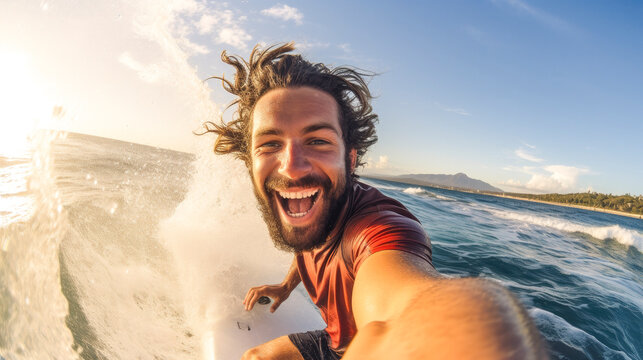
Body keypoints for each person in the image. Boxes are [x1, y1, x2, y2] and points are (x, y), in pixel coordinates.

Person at [200, 43, 548, 360]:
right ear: (250, 161)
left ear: (350, 160)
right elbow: (308, 244)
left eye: (318, 140)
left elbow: (410, 306)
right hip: (335, 341)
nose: (292, 167)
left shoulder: (378, 227)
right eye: (270, 144)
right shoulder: (310, 210)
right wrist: (286, 286)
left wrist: (473, 333)